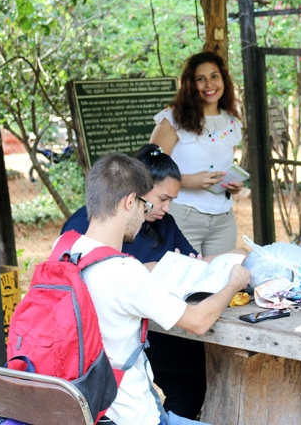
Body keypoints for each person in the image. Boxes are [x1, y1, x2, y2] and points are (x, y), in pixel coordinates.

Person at [62, 144, 244, 419]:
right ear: (130, 201)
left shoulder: (65, 248)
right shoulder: (124, 271)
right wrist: (233, 284)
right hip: (129, 413)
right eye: (148, 203)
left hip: (84, 393)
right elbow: (198, 322)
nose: (154, 210)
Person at [150, 51, 244, 257]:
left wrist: (233, 184)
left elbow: (222, 165)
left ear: (223, 80)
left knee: (221, 281)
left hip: (223, 220)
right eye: (200, 79)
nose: (209, 85)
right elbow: (149, 167)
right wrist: (187, 181)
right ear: (190, 84)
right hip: (182, 215)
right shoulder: (172, 119)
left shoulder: (231, 121)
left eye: (214, 76)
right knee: (187, 284)